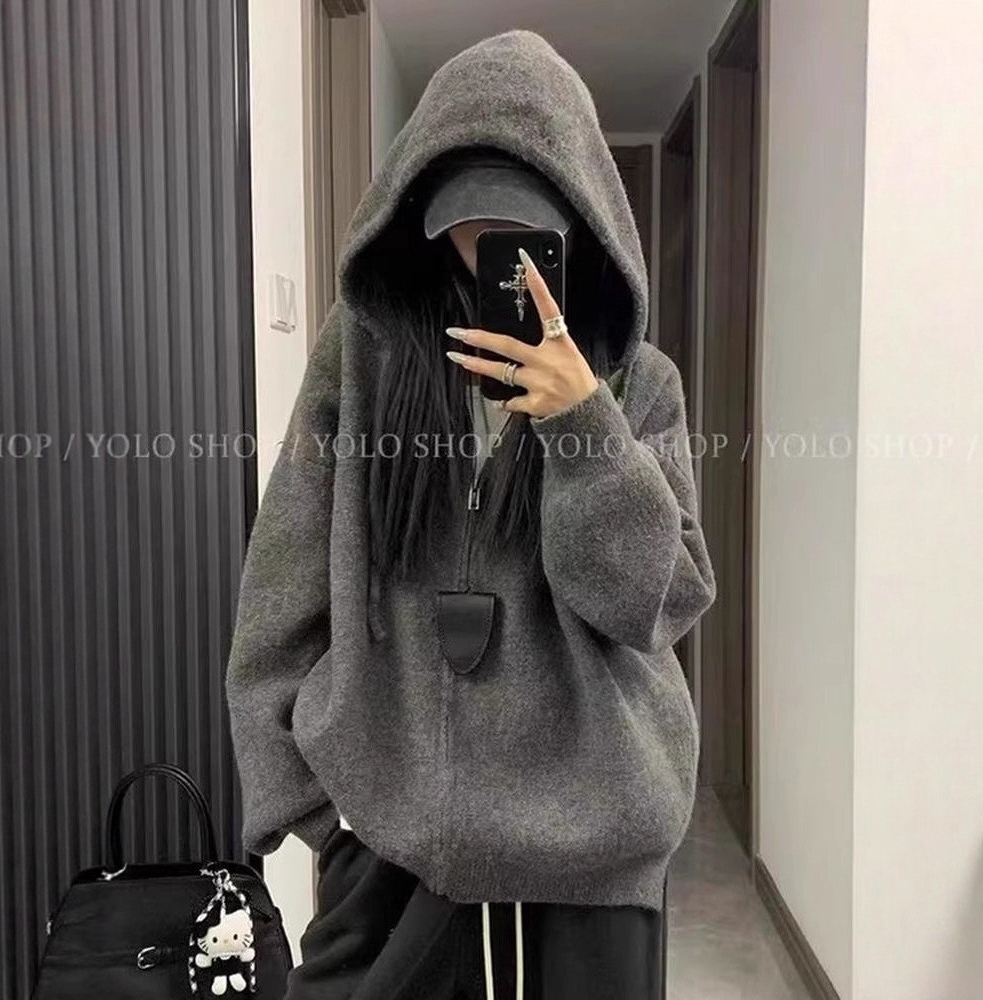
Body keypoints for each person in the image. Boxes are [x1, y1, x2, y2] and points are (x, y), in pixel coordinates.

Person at [225, 28, 717, 1000]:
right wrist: (312, 801)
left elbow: (659, 601)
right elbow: (283, 568)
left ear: (579, 217)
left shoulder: (639, 384)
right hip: (392, 850)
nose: (494, 245)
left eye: (523, 224)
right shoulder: (363, 361)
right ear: (418, 210)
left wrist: (583, 420)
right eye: (469, 220)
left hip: (592, 854)